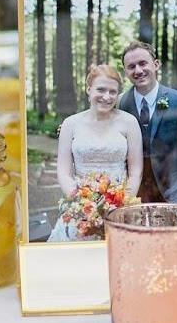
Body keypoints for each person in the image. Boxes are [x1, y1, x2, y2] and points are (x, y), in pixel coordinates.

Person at [49, 64, 142, 241]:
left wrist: (121, 205)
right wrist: (82, 204)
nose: (106, 97)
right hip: (79, 207)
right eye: (101, 89)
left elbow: (135, 171)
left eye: (112, 92)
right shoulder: (70, 124)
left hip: (118, 207)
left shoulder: (129, 123)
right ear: (88, 89)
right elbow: (63, 171)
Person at [119, 41, 177, 205]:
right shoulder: (121, 103)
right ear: (126, 71)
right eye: (131, 66)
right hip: (133, 193)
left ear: (156, 64)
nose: (138, 70)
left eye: (143, 63)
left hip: (171, 192)